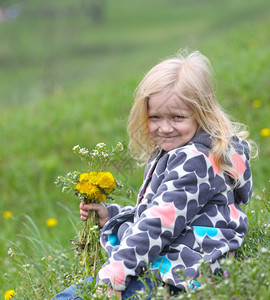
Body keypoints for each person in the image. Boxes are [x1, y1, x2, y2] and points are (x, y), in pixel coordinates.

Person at [53, 50, 254, 299]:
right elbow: (165, 212)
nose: (165, 127)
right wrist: (111, 215)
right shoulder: (185, 150)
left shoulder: (195, 161)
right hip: (174, 262)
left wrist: (114, 277)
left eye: (177, 117)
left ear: (202, 114)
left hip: (182, 273)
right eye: (155, 117)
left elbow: (158, 226)